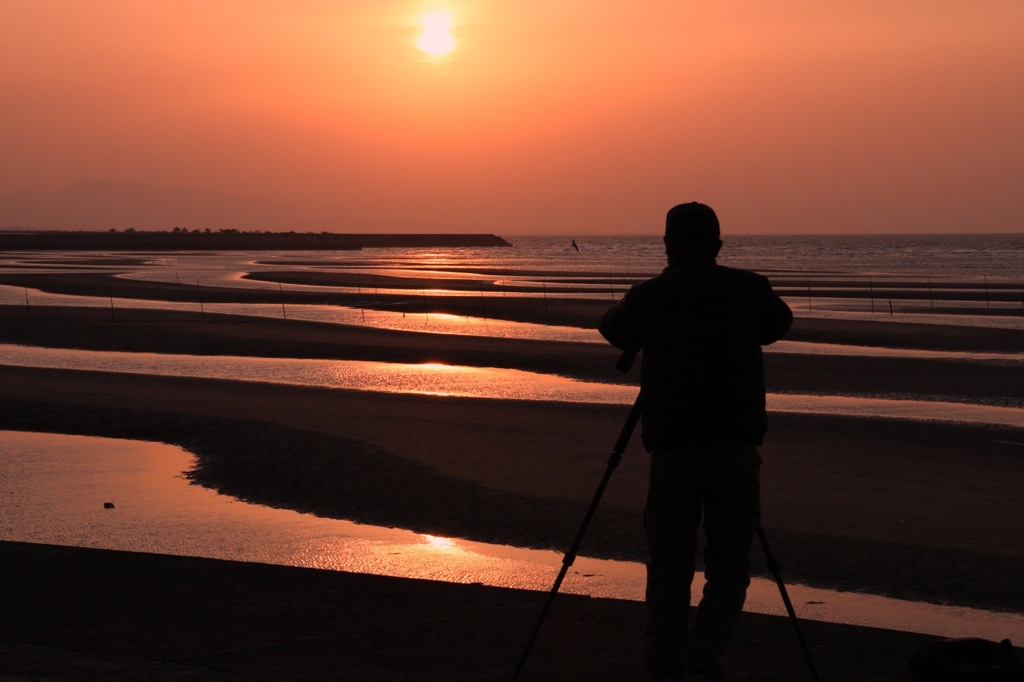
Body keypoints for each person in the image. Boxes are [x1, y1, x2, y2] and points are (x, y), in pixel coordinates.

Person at [599, 202, 792, 682]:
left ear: (667, 245)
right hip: (734, 449)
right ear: (718, 245)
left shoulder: (652, 296)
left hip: (673, 450)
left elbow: (611, 327)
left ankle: (666, 669)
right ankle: (702, 666)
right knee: (728, 567)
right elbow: (778, 324)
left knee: (668, 568)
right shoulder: (749, 289)